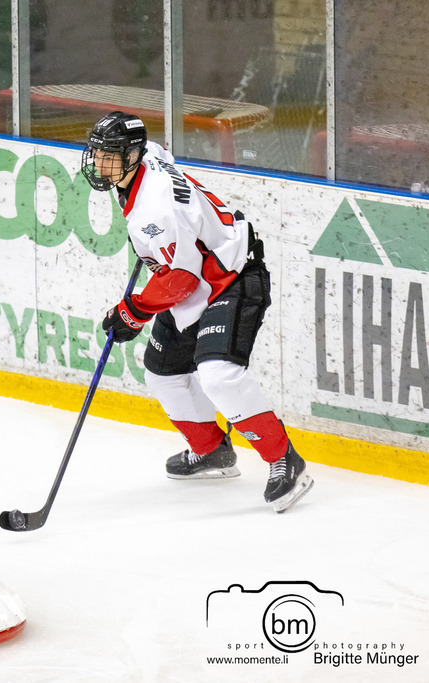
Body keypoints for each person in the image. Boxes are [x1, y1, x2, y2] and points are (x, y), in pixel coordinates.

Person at [81, 111, 314, 513]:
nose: (100, 164)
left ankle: (285, 459)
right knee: (161, 368)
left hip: (232, 278)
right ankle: (211, 452)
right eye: (98, 153)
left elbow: (181, 281)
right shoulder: (148, 158)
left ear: (134, 155)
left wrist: (131, 312)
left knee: (219, 375)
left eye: (110, 155)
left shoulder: (156, 210)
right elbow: (163, 157)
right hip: (197, 279)